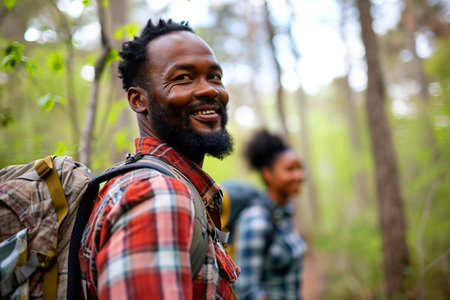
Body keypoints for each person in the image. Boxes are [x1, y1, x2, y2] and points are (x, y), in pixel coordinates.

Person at [78, 19, 240, 299]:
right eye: (183, 78)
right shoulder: (156, 195)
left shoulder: (165, 187)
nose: (210, 90)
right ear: (138, 100)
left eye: (214, 76)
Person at [233, 130, 307, 300]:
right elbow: (248, 290)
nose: (299, 175)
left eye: (300, 168)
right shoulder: (256, 220)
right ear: (267, 174)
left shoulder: (284, 214)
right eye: (290, 169)